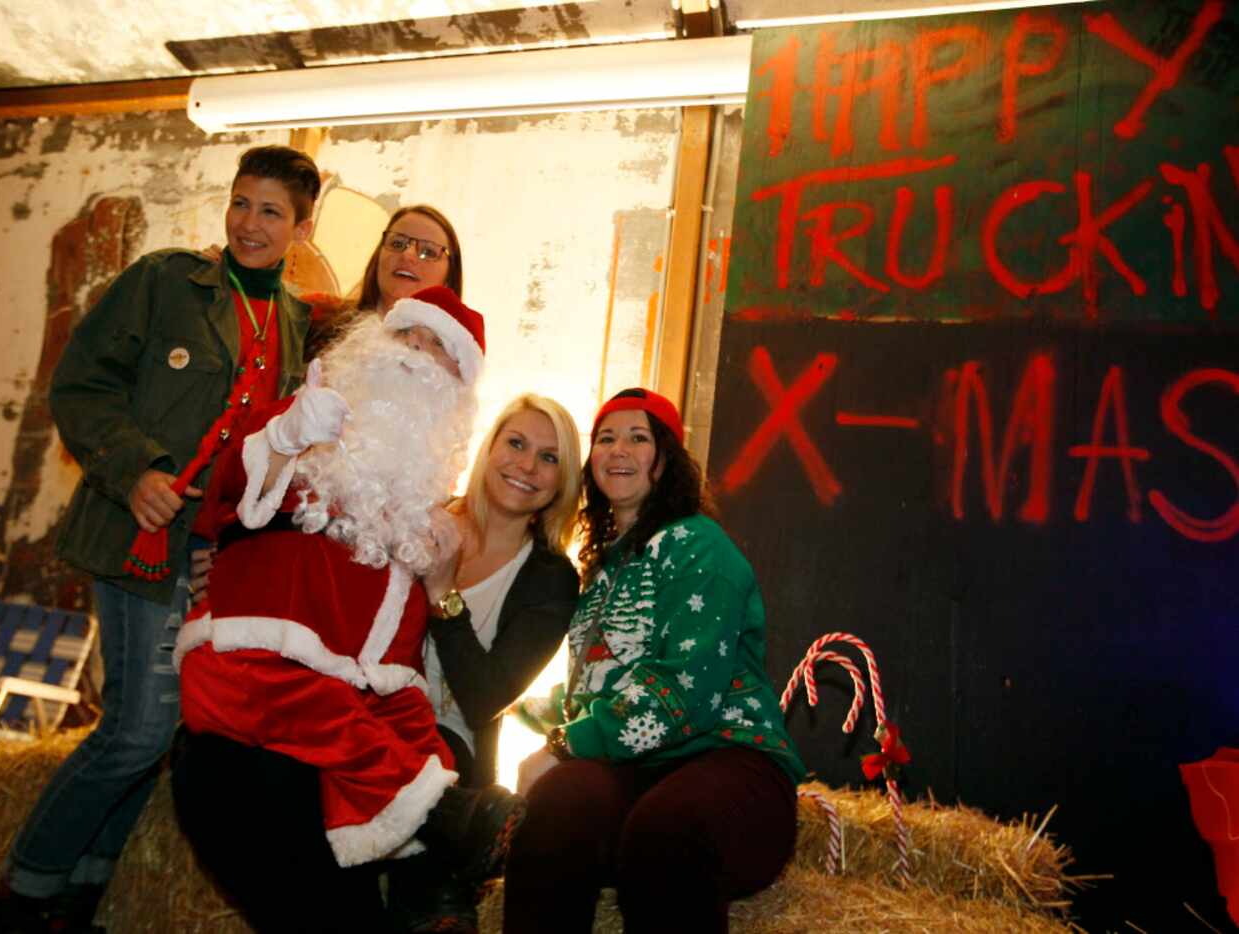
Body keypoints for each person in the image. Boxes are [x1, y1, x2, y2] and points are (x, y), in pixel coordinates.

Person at [0, 145, 322, 934]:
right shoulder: (166, 281)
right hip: (138, 532)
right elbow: (80, 385)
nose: (248, 223)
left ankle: (79, 891)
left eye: (269, 211)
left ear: (302, 226)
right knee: (138, 731)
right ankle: (20, 893)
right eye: (239, 203)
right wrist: (135, 473)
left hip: (205, 557)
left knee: (146, 733)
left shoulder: (295, 323)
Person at [170, 286, 523, 931]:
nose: (416, 356)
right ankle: (445, 819)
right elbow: (229, 490)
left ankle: (441, 844)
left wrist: (436, 580)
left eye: (439, 352)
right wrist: (287, 434)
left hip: (334, 745)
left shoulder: (423, 509)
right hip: (246, 715)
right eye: (408, 338)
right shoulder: (308, 423)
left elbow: (398, 661)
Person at [503, 388, 805, 934]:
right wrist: (521, 714)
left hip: (730, 762)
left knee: (666, 830)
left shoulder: (699, 546)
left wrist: (562, 744)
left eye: (638, 438)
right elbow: (602, 687)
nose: (619, 450)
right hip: (636, 770)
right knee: (555, 809)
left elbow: (684, 694)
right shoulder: (601, 571)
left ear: (665, 458)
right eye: (606, 438)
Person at [385, 393, 583, 934]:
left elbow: (483, 697)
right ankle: (445, 892)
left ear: (561, 484)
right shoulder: (422, 518)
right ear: (489, 446)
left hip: (453, 745)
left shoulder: (552, 578)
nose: (526, 465)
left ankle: (439, 893)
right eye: (516, 443)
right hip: (371, 713)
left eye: (549, 458)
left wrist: (444, 595)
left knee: (428, 757)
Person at [305, 204, 463, 357]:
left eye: (428, 252)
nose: (407, 254)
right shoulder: (313, 316)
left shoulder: (452, 364)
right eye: (397, 243)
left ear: (449, 278)